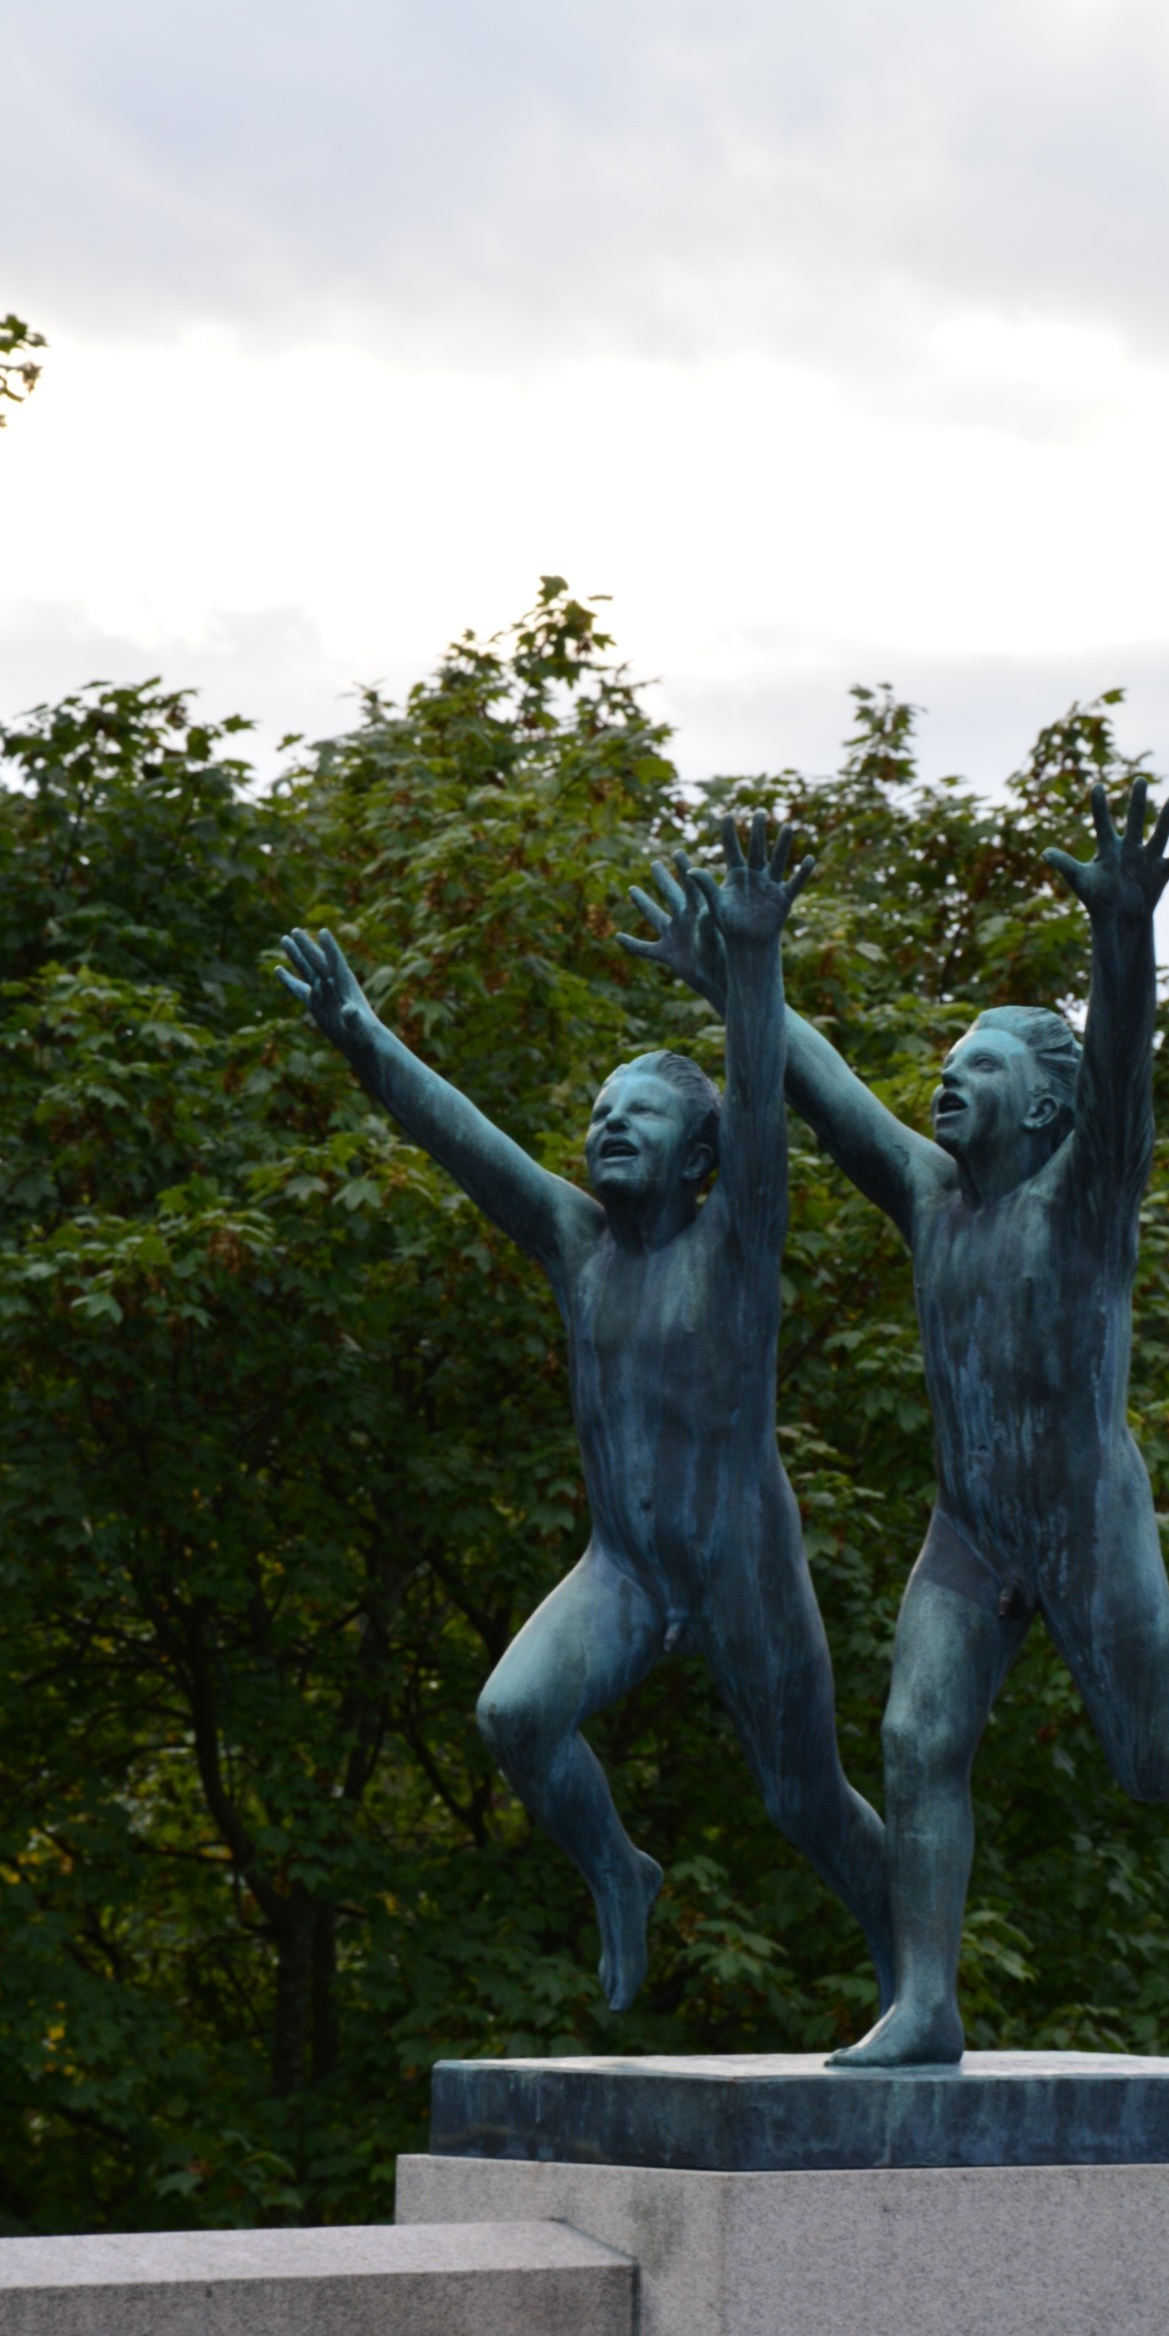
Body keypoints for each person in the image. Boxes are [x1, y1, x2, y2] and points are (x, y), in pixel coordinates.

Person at [629, 784, 1169, 2066]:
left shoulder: (1082, 1208)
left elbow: (1125, 1066)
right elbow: (823, 1090)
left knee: (1150, 1767)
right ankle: (926, 2002)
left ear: (1042, 1107)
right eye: (947, 1062)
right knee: (915, 1737)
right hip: (971, 1536)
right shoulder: (931, 1199)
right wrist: (739, 971)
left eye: (980, 1066)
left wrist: (1122, 931)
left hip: (1085, 1526)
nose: (946, 1078)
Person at [279, 815, 891, 2014]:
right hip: (624, 1570)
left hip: (739, 1570)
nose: (608, 1124)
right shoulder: (575, 1242)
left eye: (641, 1116)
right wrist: (361, 1034)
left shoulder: (738, 1243)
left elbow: (765, 1108)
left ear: (700, 1158)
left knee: (803, 1802)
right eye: (600, 1112)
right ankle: (621, 1871)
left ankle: (915, 1979)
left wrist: (751, 962)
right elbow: (463, 1140)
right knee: (512, 1713)